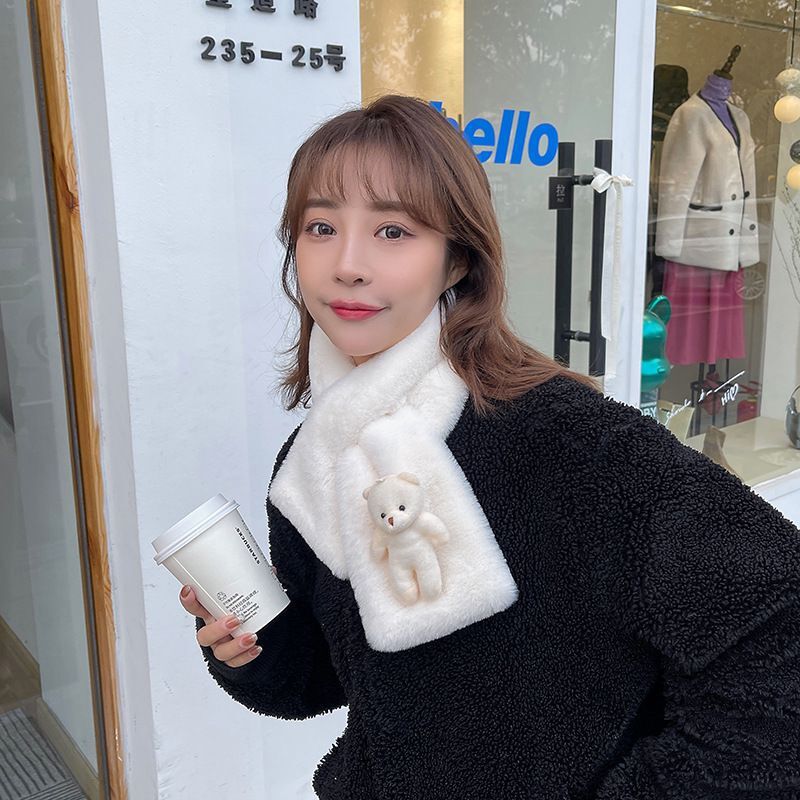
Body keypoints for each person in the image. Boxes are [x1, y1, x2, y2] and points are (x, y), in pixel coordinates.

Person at [180, 94, 800, 799]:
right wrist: (247, 650)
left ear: (456, 262)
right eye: (321, 227)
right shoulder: (311, 464)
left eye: (392, 231)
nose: (347, 264)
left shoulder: (565, 438)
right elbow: (324, 678)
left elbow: (779, 633)